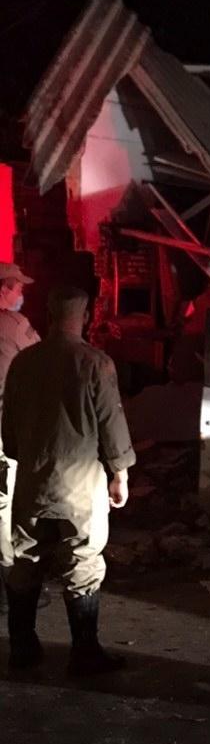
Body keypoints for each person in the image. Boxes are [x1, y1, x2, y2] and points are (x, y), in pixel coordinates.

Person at [2, 286, 136, 675]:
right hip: (80, 487)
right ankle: (84, 653)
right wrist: (120, 474)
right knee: (82, 562)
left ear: (47, 311)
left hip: (31, 482)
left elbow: (9, 431)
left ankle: (23, 649)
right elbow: (112, 423)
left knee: (25, 560)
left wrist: (24, 459)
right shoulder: (96, 363)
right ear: (88, 315)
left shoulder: (24, 363)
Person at [0, 262, 39, 611]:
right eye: (18, 288)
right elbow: (41, 357)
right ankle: (8, 578)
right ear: (3, 290)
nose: (21, 295)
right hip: (2, 423)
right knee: (3, 501)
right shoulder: (14, 325)